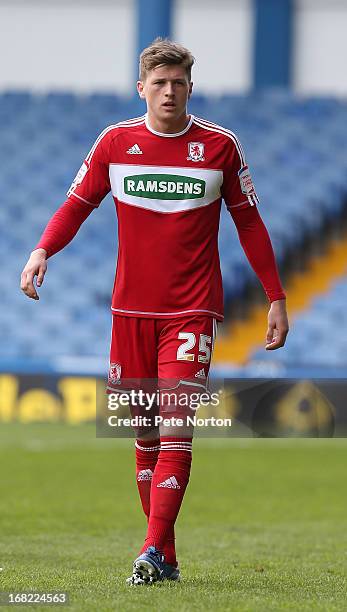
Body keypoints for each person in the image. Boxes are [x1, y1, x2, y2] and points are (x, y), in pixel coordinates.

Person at [20, 38, 289, 584]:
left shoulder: (219, 147)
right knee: (143, 437)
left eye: (179, 83)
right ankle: (164, 557)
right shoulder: (115, 143)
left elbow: (250, 224)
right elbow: (76, 204)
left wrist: (276, 296)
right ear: (141, 88)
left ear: (191, 87)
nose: (169, 92)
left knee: (175, 432)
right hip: (129, 314)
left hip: (190, 312)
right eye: (159, 83)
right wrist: (42, 249)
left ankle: (147, 551)